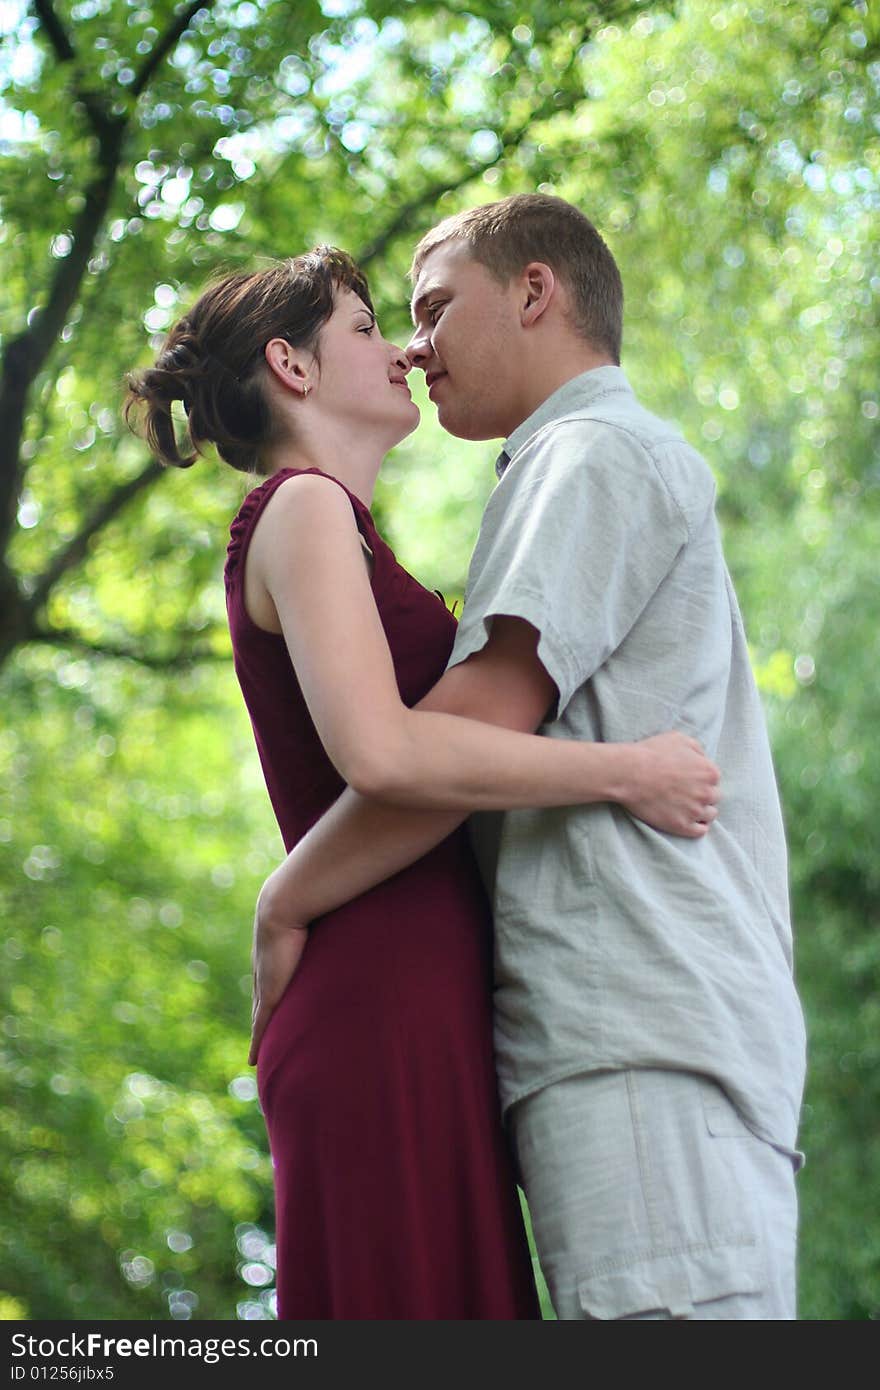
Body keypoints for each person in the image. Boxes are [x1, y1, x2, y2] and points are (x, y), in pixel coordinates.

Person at [124, 245, 720, 1321]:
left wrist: (286, 894)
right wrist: (625, 770)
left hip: (412, 985)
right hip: (372, 993)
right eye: (364, 327)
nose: (400, 347)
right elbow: (385, 756)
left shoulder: (334, 524)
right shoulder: (301, 507)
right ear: (290, 366)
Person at [252, 197, 808, 1320]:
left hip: (640, 1033)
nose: (414, 345)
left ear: (535, 293)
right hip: (622, 1039)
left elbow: (459, 732)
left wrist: (286, 896)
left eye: (432, 309)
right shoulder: (557, 465)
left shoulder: (586, 454)